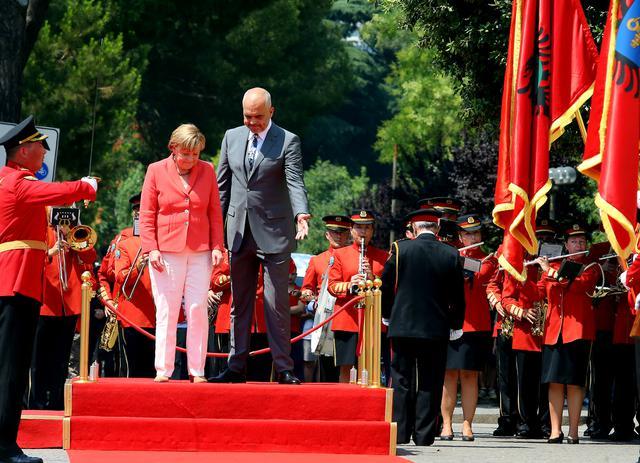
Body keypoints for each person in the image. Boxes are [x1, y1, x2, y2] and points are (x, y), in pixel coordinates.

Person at [0, 116, 97, 463]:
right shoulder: (17, 182)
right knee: (11, 370)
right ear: (24, 151)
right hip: (16, 283)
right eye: (40, 147)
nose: (43, 154)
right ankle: (4, 447)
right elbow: (54, 191)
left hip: (17, 282)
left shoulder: (9, 180)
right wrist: (85, 187)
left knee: (12, 367)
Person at [212, 87, 310, 385]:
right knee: (239, 304)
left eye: (257, 116)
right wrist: (215, 229)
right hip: (238, 230)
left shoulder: (288, 140)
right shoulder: (232, 136)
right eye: (247, 116)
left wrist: (301, 214)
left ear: (271, 112)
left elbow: (294, 181)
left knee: (275, 303)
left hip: (274, 232)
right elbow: (222, 186)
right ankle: (235, 365)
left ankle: (283, 368)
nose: (251, 122)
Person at [140, 123, 224, 383]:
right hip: (166, 250)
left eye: (195, 154)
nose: (190, 159)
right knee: (167, 308)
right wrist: (151, 249)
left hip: (199, 250)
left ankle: (197, 370)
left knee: (198, 308)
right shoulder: (155, 170)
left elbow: (214, 212)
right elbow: (147, 214)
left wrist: (217, 246)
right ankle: (163, 370)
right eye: (186, 153)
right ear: (173, 148)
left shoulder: (208, 170)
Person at [381, 208, 465, 446]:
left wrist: (387, 315)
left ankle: (400, 431)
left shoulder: (400, 249)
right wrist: (456, 323)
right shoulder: (450, 253)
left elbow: (386, 286)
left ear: (415, 228)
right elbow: (457, 295)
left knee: (401, 379)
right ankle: (424, 434)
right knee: (430, 380)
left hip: (403, 325)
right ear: (437, 228)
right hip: (435, 327)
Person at [27, 211, 97, 410]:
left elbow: (90, 256)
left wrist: (71, 235)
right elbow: (30, 258)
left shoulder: (72, 231)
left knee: (61, 359)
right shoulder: (41, 231)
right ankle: (37, 403)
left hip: (68, 304)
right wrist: (50, 251)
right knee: (39, 360)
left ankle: (58, 402)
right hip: (45, 304)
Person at [536, 224, 598, 444]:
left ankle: (573, 431)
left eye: (582, 241)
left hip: (578, 331)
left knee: (574, 382)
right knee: (554, 382)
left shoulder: (590, 267)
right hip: (554, 330)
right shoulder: (553, 265)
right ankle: (555, 430)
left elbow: (577, 285)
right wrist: (528, 272)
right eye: (574, 242)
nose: (578, 245)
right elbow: (540, 291)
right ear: (566, 244)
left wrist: (550, 272)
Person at [440, 214, 497, 441]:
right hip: (451, 323)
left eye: (475, 232)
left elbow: (482, 274)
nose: (472, 237)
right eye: (467, 233)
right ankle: (446, 424)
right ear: (460, 237)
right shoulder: (449, 255)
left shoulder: (489, 259)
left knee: (470, 376)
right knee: (449, 375)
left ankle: (467, 423)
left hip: (476, 326)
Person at [328, 210, 389, 383]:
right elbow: (332, 286)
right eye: (359, 228)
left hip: (372, 320)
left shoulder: (383, 256)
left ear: (372, 231)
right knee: (346, 367)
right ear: (352, 230)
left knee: (371, 366)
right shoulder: (339, 254)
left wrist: (372, 278)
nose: (363, 232)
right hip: (347, 319)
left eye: (367, 228)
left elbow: (390, 288)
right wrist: (351, 284)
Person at [300, 215, 352, 382]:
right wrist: (310, 299)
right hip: (325, 319)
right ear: (327, 234)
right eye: (334, 232)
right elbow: (306, 289)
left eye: (342, 232)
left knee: (349, 367)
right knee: (326, 368)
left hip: (348, 317)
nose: (338, 236)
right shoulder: (317, 260)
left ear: (348, 234)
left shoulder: (354, 258)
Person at [112, 202, 156, 378]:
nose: (140, 213)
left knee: (154, 372)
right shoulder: (125, 242)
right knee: (131, 370)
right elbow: (119, 277)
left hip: (156, 317)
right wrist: (137, 267)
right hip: (132, 317)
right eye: (137, 210)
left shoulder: (163, 241)